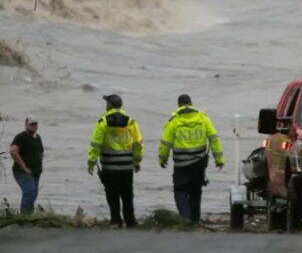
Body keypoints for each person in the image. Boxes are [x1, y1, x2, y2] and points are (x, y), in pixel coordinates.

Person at [158, 94, 224, 223]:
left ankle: (185, 218)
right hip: (199, 163)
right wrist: (219, 159)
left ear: (179, 105)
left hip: (181, 164)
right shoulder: (203, 119)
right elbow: (214, 139)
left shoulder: (174, 121)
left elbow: (165, 143)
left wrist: (162, 160)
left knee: (180, 190)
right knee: (196, 191)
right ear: (191, 103)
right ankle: (195, 220)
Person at [87, 94, 143, 228]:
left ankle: (116, 220)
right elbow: (138, 143)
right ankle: (130, 221)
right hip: (126, 166)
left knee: (112, 194)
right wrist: (136, 161)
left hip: (109, 166)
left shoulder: (103, 121)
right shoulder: (130, 121)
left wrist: (91, 162)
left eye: (107, 103)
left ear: (110, 105)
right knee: (127, 194)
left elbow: (96, 144)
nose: (106, 105)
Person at [10, 115, 44, 214]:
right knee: (29, 191)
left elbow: (41, 152)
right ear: (26, 124)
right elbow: (13, 151)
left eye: (35, 124)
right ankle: (24, 216)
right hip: (22, 172)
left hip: (35, 172)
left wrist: (40, 166)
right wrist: (23, 167)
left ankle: (30, 217)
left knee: (33, 195)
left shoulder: (38, 138)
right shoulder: (21, 137)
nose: (33, 126)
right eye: (31, 124)